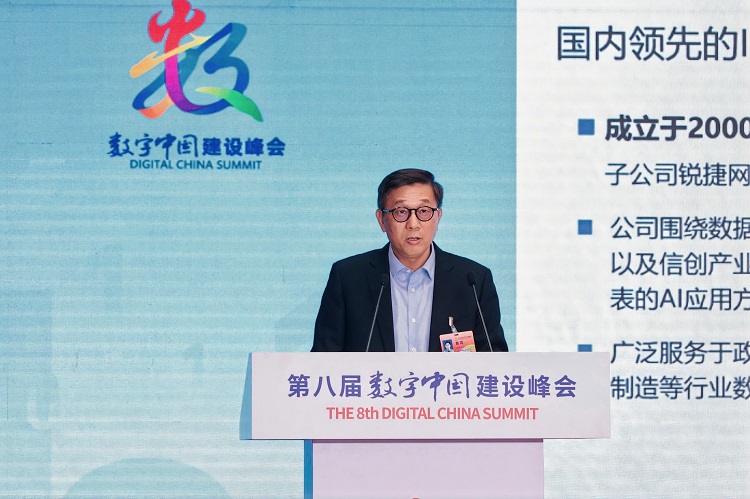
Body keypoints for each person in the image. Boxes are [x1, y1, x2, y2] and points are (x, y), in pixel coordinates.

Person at [311, 168, 508, 352]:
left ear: (438, 217)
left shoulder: (472, 281)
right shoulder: (348, 278)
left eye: (424, 211)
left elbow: (495, 361)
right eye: (401, 212)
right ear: (381, 220)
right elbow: (322, 361)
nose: (413, 224)